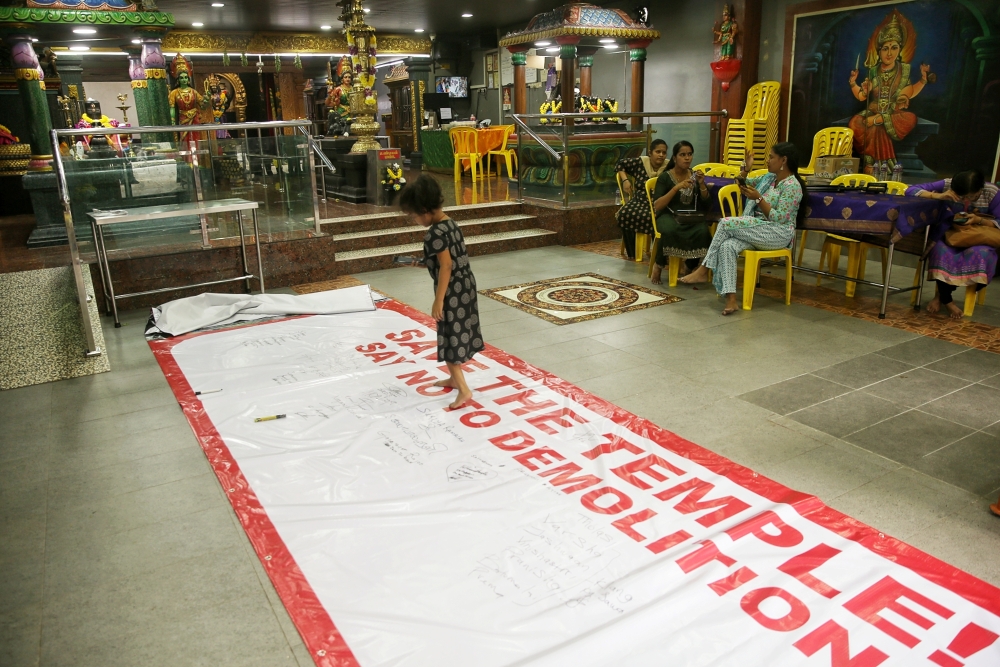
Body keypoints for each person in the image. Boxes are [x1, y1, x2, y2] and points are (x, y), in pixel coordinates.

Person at [681, 142, 806, 315]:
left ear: (783, 160)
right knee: (727, 246)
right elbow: (741, 183)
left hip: (778, 233)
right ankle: (731, 300)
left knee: (725, 223)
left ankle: (703, 269)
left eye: (771, 157)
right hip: (757, 229)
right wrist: (746, 169)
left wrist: (759, 199)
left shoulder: (792, 186)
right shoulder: (769, 178)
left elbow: (779, 218)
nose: (768, 161)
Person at [400, 175, 483, 409]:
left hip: (452, 291)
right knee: (457, 333)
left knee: (449, 339)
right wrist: (419, 262)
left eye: (413, 215)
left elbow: (446, 266)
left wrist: (439, 300)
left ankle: (464, 390)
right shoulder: (450, 223)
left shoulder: (434, 233)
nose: (415, 220)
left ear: (424, 210)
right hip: (465, 284)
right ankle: (455, 380)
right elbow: (446, 260)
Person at [847, 9, 933, 175]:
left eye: (894, 48)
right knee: (855, 123)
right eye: (885, 48)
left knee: (910, 118)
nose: (889, 52)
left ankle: (871, 165)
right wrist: (853, 83)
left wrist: (920, 81)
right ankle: (873, 161)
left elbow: (909, 91)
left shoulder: (904, 69)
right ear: (879, 51)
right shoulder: (873, 71)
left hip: (893, 111)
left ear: (899, 50)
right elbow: (861, 96)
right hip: (873, 109)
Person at [907, 170, 1000, 319]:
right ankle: (946, 299)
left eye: (971, 197)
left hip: (979, 236)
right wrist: (938, 195)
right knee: (940, 250)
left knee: (980, 254)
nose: (965, 200)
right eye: (961, 197)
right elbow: (909, 190)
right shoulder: (947, 185)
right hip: (950, 233)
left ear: (980, 190)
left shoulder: (992, 192)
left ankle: (942, 297)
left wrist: (978, 220)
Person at [649, 141, 712, 284]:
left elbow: (706, 204)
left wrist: (702, 184)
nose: (687, 158)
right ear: (674, 158)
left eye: (689, 154)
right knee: (670, 229)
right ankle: (658, 266)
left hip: (690, 216)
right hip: (668, 214)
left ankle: (689, 266)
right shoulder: (665, 177)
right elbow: (657, 205)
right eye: (682, 155)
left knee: (702, 230)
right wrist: (676, 188)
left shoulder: (694, 176)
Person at [615, 139, 669, 259]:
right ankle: (632, 253)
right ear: (650, 153)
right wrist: (625, 180)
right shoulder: (641, 163)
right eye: (658, 151)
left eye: (664, 152)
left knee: (658, 218)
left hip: (660, 202)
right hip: (640, 200)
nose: (661, 155)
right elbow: (620, 164)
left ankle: (660, 255)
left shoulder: (669, 166)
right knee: (624, 214)